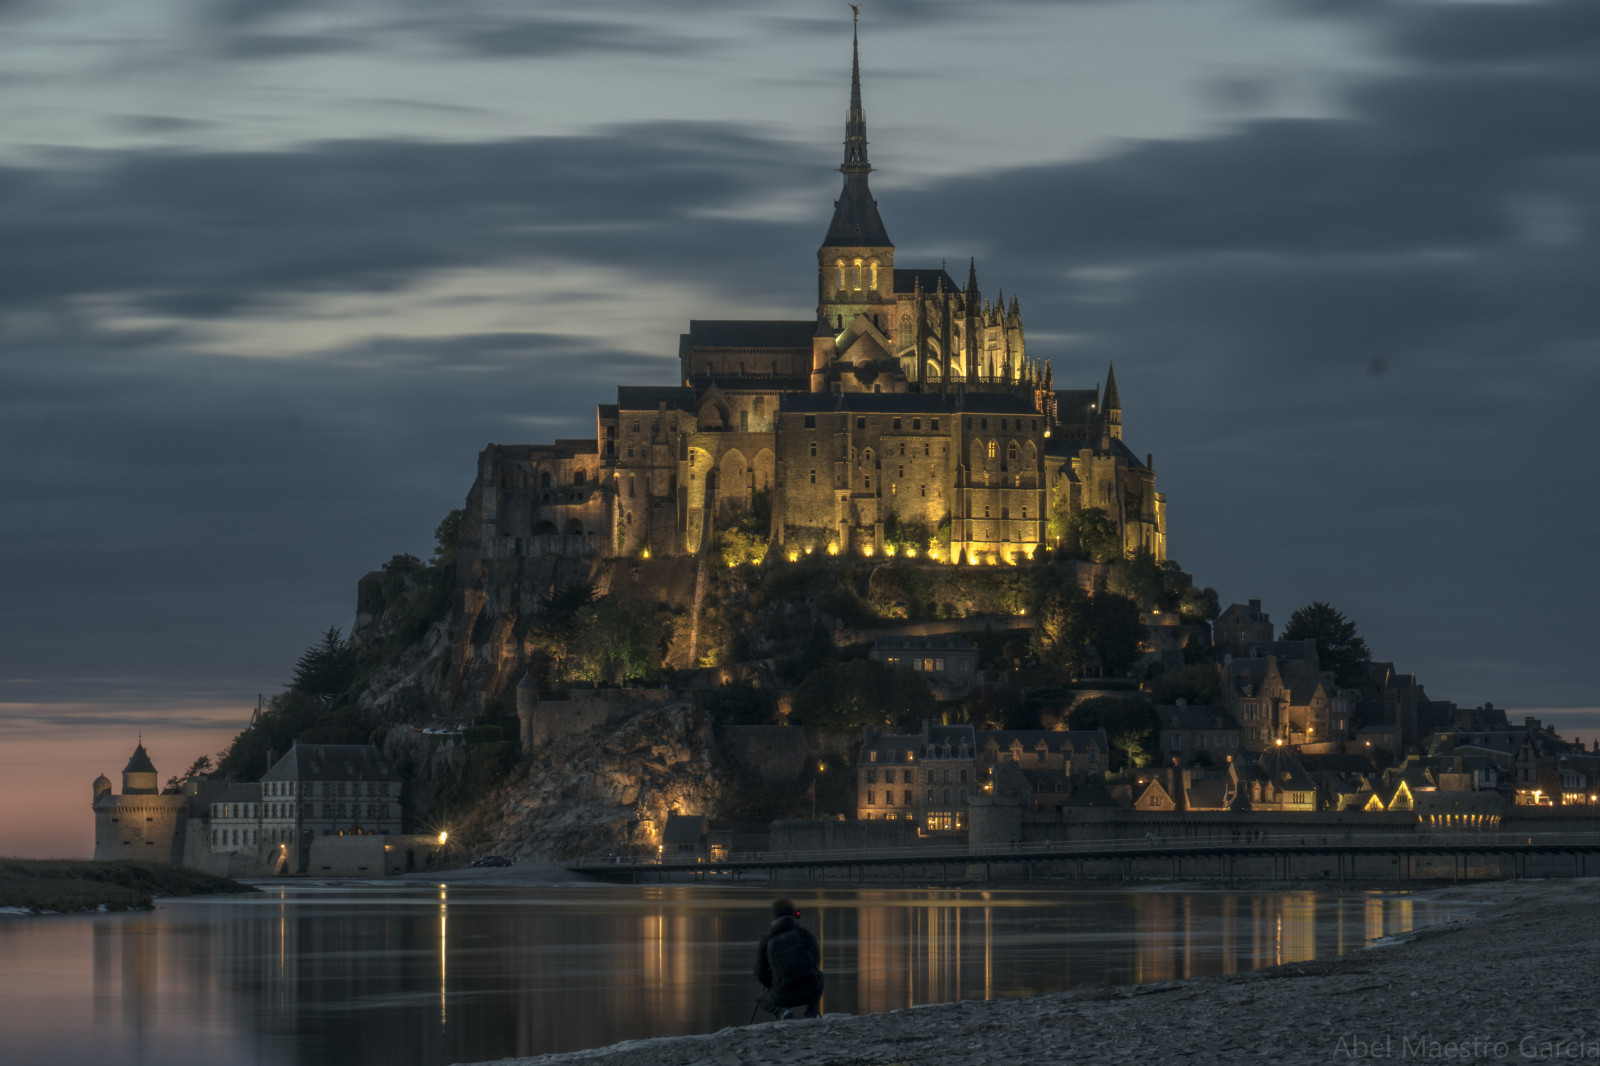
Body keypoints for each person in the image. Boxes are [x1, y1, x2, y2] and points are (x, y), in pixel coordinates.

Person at [756, 898, 823, 1019]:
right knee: (819, 976)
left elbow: (760, 972)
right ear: (793, 914)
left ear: (774, 916)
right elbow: (816, 959)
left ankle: (782, 1010)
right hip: (809, 990)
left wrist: (772, 981)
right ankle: (812, 1010)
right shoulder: (804, 934)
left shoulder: (767, 940)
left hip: (783, 994)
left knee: (762, 999)